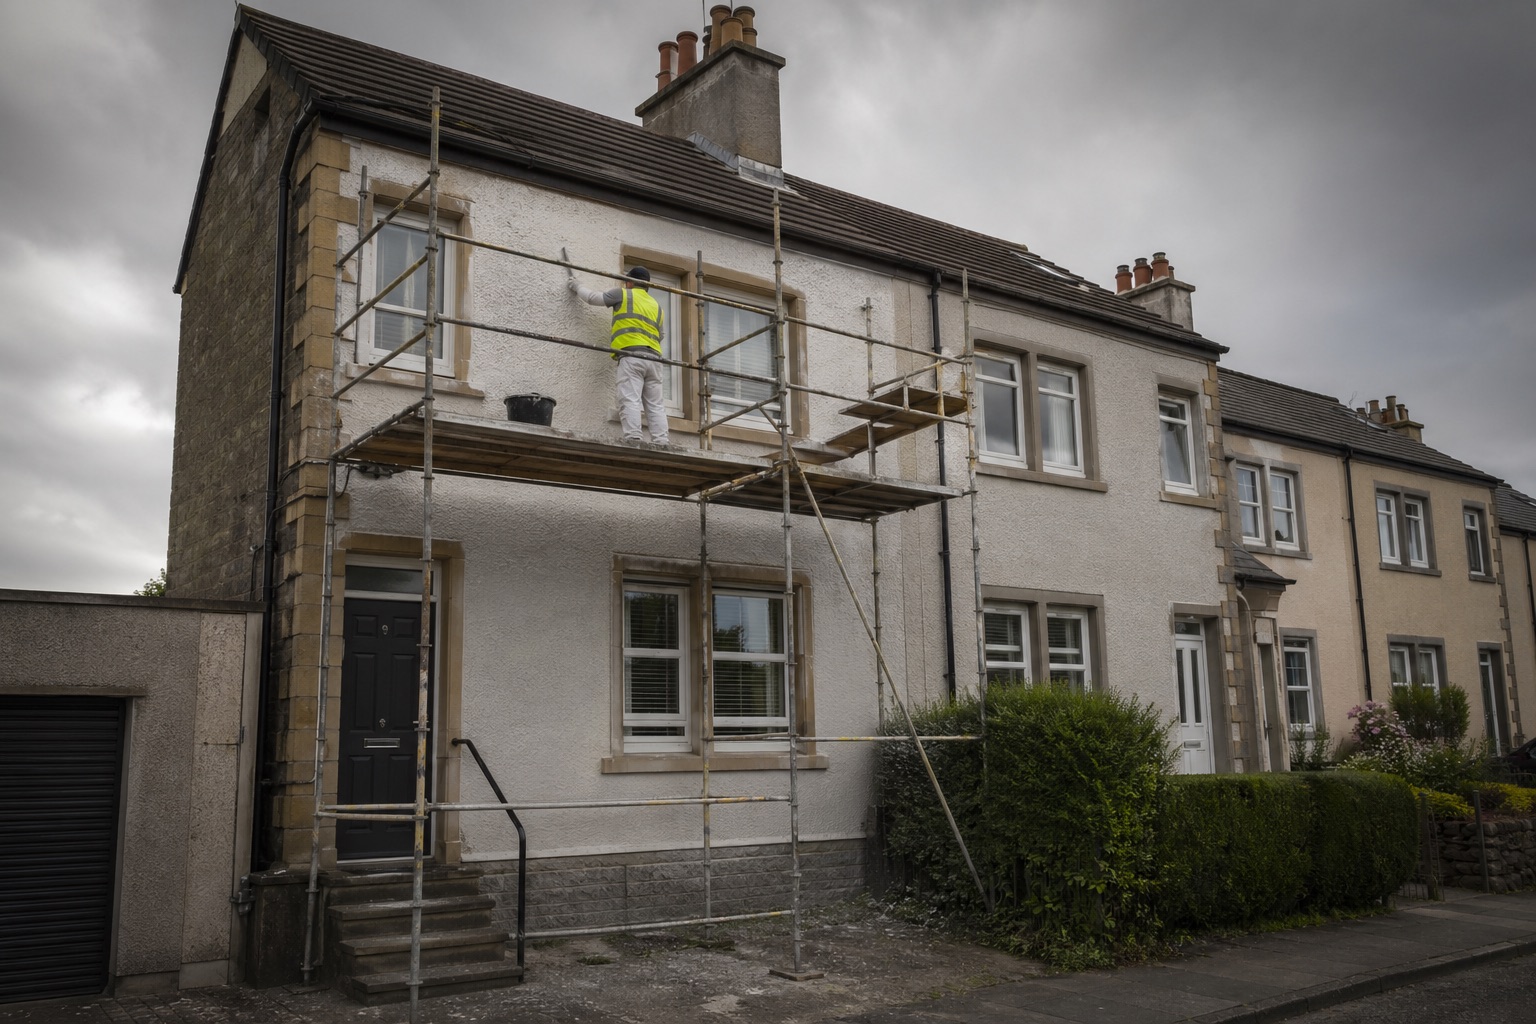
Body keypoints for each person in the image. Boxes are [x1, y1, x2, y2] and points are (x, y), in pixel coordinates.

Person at [569, 266, 671, 446]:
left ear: (630, 282)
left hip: (632, 356)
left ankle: (633, 438)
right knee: (655, 404)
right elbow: (661, 335)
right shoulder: (657, 306)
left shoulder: (622, 294)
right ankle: (662, 441)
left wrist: (576, 286)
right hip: (655, 358)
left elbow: (593, 298)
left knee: (630, 398)